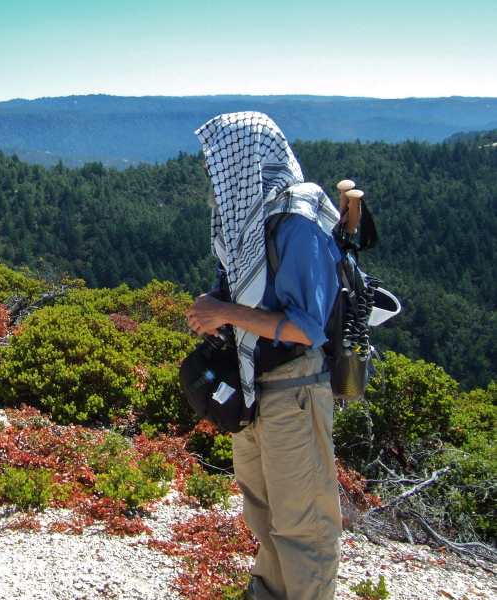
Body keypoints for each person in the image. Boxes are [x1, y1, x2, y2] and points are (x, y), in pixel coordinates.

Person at [185, 112, 343, 600]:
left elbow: (305, 327)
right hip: (258, 387)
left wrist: (224, 313)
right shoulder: (249, 217)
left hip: (293, 389)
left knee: (303, 525)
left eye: (218, 160)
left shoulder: (297, 221)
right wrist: (218, 312)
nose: (213, 171)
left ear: (245, 159)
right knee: (265, 513)